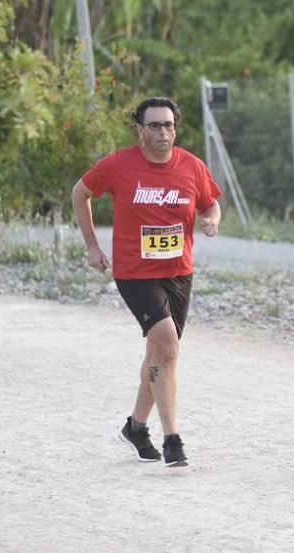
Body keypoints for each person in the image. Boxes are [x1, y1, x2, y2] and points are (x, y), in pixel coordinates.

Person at [71, 96, 222, 467]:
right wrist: (92, 246)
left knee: (159, 355)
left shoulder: (191, 166)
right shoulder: (118, 165)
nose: (162, 132)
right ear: (139, 129)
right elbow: (81, 193)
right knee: (167, 347)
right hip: (135, 274)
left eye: (168, 125)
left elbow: (211, 203)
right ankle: (173, 440)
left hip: (178, 273)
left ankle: (136, 427)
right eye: (154, 125)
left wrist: (212, 221)